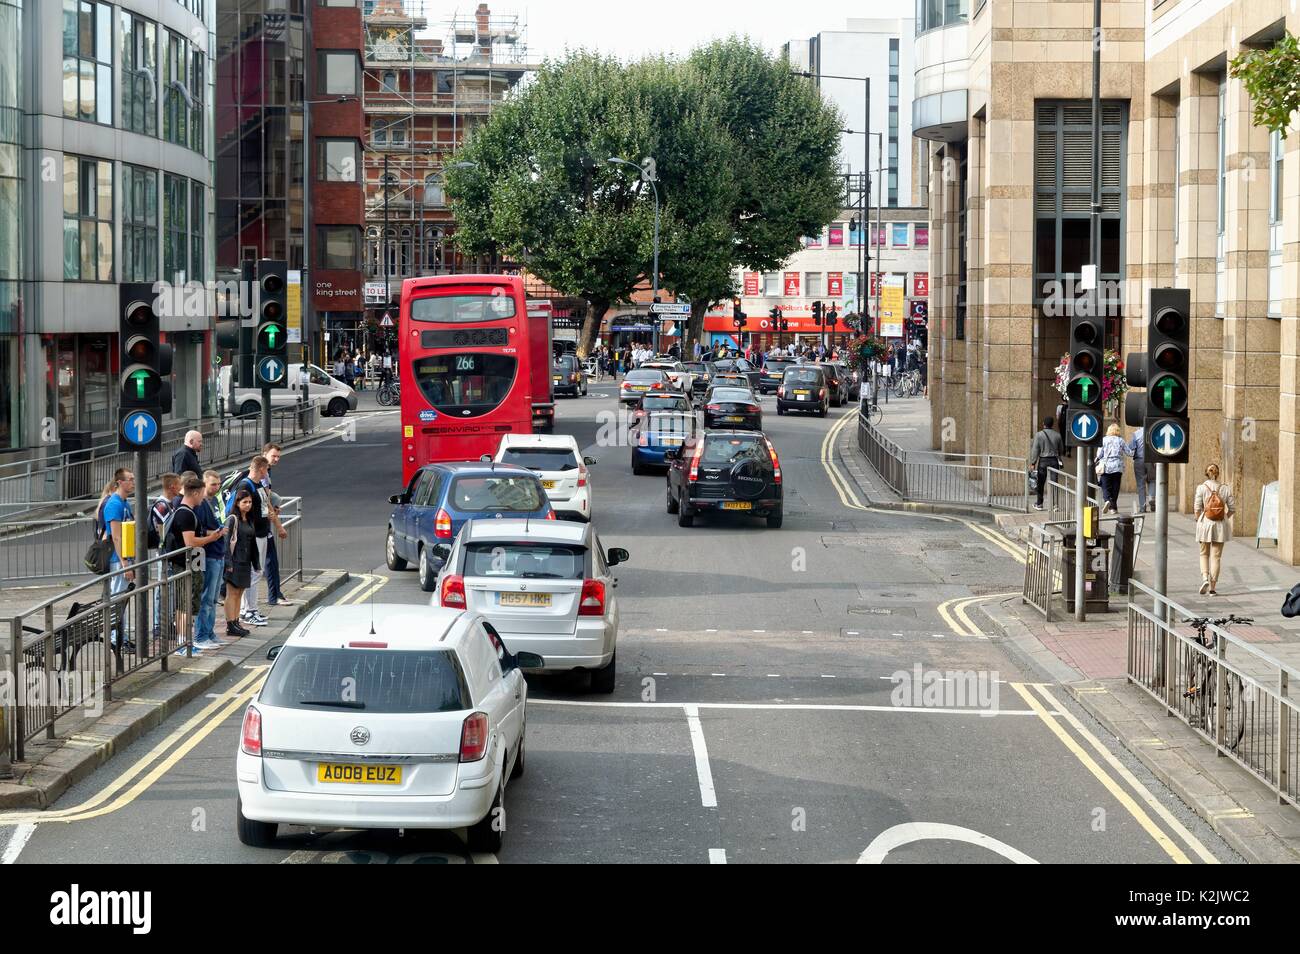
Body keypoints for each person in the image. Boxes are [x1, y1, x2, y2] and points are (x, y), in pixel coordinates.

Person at [166, 475, 226, 653]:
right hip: (182, 565)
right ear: (196, 493)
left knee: (188, 604)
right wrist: (212, 537)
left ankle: (186, 642)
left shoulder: (188, 512)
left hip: (189, 564)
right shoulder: (185, 513)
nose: (203, 497)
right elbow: (190, 542)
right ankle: (183, 644)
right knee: (184, 605)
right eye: (201, 494)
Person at [225, 455, 272, 627]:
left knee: (256, 572)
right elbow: (241, 508)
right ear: (261, 468)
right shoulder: (246, 485)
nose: (267, 473)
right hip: (253, 534)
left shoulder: (258, 484)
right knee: (254, 572)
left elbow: (264, 505)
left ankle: (248, 609)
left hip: (260, 532)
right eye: (266, 469)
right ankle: (250, 611)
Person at [197, 470, 240, 645]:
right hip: (209, 555)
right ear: (204, 484)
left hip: (219, 553)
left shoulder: (216, 500)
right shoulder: (201, 504)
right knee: (206, 598)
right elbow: (198, 530)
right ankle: (201, 636)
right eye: (213, 484)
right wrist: (217, 532)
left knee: (214, 599)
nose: (217, 487)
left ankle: (210, 633)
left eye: (219, 483)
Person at [224, 487, 261, 639]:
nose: (248, 505)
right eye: (244, 502)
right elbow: (226, 543)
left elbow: (253, 543)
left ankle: (236, 621)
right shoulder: (232, 519)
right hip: (234, 561)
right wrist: (228, 563)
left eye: (250, 502)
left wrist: (256, 563)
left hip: (245, 561)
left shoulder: (250, 520)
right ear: (237, 503)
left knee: (239, 593)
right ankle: (230, 624)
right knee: (231, 593)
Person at [1194, 463, 1236, 596]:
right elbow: (1232, 508)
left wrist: (1199, 519)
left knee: (1203, 554)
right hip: (1220, 525)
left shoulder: (1201, 488)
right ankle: (1212, 588)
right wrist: (1224, 517)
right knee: (1216, 556)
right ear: (1218, 473)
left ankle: (1205, 578)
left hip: (1205, 524)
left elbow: (1197, 508)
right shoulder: (1225, 488)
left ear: (1206, 473)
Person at [260, 442, 292, 607]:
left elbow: (268, 496)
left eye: (279, 456)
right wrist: (279, 527)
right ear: (264, 453)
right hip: (258, 525)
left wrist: (275, 502)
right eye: (273, 456)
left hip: (259, 522)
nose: (277, 459)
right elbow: (265, 501)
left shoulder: (266, 471)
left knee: (265, 561)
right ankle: (274, 596)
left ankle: (276, 594)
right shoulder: (262, 473)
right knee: (270, 560)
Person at [1028, 416, 1065, 511]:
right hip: (1054, 460)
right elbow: (1061, 450)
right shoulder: (1057, 435)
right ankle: (1055, 505)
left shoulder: (1039, 435)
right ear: (1052, 424)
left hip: (1043, 461)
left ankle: (1039, 504)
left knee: (1040, 483)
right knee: (1054, 483)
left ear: (1043, 424)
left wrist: (1033, 462)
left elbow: (1035, 450)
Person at [1094, 422, 1131, 514]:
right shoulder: (1120, 440)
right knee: (1115, 487)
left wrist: (1097, 459)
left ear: (1109, 431)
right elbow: (1129, 452)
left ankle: (1107, 500)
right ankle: (1113, 508)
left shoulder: (1104, 440)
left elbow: (1099, 454)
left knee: (1105, 486)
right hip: (1118, 467)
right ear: (1117, 431)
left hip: (1106, 466)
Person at [1128, 425, 1153, 513]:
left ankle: (1143, 507)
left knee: (1141, 485)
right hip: (1151, 460)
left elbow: (1131, 447)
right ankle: (1151, 498)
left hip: (1139, 460)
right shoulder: (1152, 432)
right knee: (1152, 480)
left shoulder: (1136, 434)